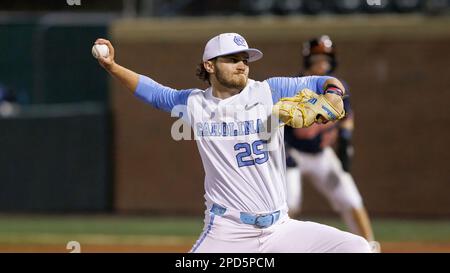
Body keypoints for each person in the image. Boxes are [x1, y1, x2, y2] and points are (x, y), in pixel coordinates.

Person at [94, 32, 371, 252]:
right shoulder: (195, 103)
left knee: (357, 247)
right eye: (232, 58)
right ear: (209, 65)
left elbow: (329, 82)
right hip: (228, 231)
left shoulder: (268, 91)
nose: (242, 64)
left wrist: (334, 95)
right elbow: (154, 93)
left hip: (280, 229)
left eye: (245, 59)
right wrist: (112, 66)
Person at [284, 35, 379, 251]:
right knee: (289, 203)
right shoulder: (294, 86)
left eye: (325, 58)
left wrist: (345, 141)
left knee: (351, 199)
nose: (322, 62)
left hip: (322, 153)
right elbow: (277, 124)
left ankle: (371, 248)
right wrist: (283, 152)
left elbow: (347, 117)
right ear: (307, 60)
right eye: (317, 58)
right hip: (293, 153)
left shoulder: (338, 88)